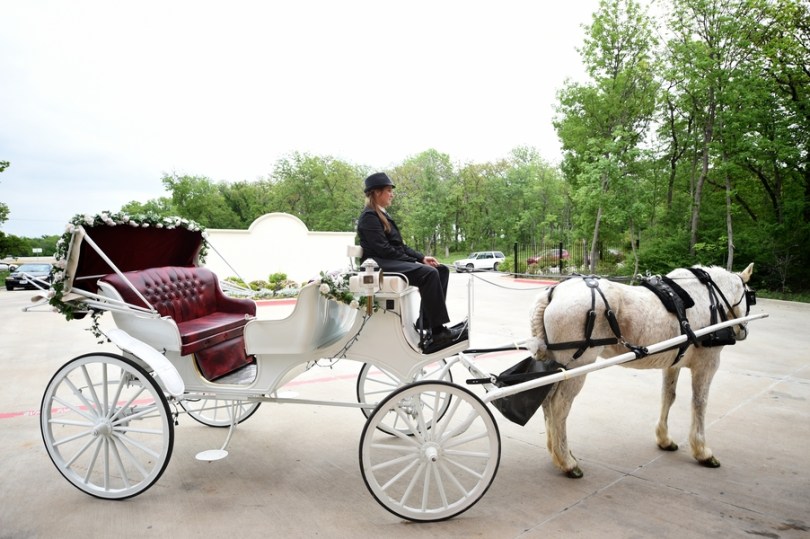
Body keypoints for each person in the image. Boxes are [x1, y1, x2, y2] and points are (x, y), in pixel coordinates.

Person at [356, 172, 465, 352]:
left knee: (441, 270)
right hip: (378, 264)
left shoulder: (381, 214)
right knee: (429, 273)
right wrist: (415, 263)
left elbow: (400, 246)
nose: (392, 194)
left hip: (388, 259)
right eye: (389, 190)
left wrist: (421, 258)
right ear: (376, 193)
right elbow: (384, 250)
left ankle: (426, 323)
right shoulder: (369, 217)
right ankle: (438, 333)